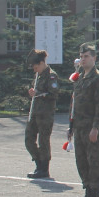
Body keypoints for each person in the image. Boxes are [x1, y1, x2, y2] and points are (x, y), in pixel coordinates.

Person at [70, 43, 99, 197]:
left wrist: (96, 128)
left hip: (91, 127)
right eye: (82, 56)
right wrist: (71, 127)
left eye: (87, 56)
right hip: (79, 127)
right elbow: (74, 104)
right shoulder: (79, 78)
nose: (83, 59)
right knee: (81, 160)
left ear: (94, 58)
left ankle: (96, 196)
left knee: (93, 162)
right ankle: (87, 192)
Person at [25, 49, 59, 180]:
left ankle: (44, 168)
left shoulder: (51, 75)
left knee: (43, 141)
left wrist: (37, 93)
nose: (35, 70)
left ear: (41, 63)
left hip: (45, 114)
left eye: (35, 67)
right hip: (34, 112)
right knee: (29, 139)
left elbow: (53, 94)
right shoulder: (38, 75)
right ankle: (38, 162)